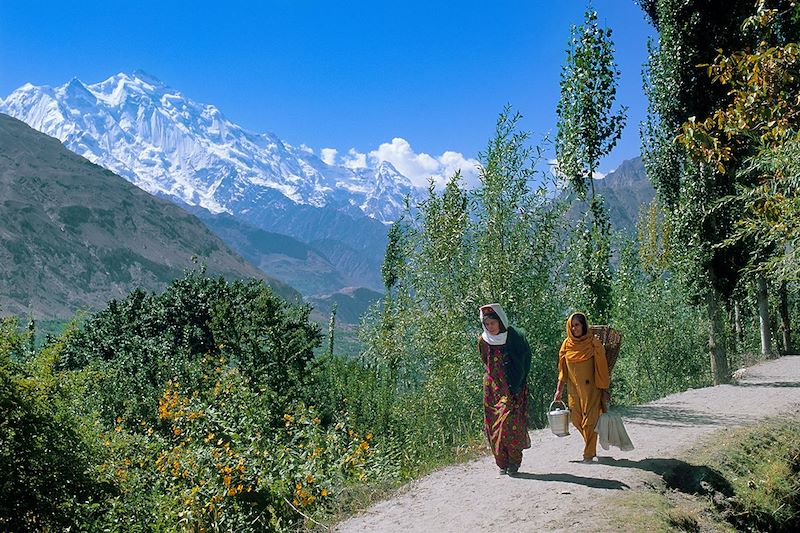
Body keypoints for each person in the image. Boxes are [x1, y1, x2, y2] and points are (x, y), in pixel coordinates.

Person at [478, 303, 532, 475]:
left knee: (509, 423)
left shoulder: (515, 338)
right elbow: (485, 360)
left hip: (512, 387)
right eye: (486, 324)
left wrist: (518, 383)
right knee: (493, 425)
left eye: (492, 323)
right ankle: (502, 463)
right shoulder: (483, 341)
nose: (490, 327)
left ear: (500, 321)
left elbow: (525, 361)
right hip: (492, 389)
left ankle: (514, 462)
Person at [553, 312, 610, 462]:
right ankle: (590, 445)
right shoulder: (566, 345)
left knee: (589, 422)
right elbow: (562, 371)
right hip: (574, 391)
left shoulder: (593, 344)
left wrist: (604, 390)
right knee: (577, 420)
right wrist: (559, 389)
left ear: (584, 326)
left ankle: (588, 453)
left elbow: (602, 370)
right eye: (572, 326)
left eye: (577, 325)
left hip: (592, 390)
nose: (574, 328)